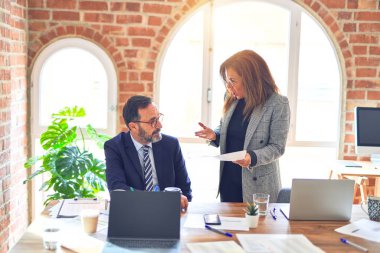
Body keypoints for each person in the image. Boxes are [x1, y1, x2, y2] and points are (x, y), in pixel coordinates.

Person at [195, 49, 290, 203]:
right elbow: (224, 127)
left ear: (252, 79)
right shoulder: (231, 97)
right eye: (227, 81)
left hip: (259, 186)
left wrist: (251, 157)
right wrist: (215, 135)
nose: (228, 87)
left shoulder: (278, 104)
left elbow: (277, 147)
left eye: (233, 81)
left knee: (259, 227)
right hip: (229, 181)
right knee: (228, 226)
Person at [105, 95, 192, 210]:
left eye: (158, 118)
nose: (160, 126)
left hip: (169, 212)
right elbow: (118, 190)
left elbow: (185, 189)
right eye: (152, 122)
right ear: (133, 126)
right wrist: (161, 199)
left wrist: (180, 201)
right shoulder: (115, 147)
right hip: (133, 212)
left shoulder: (171, 144)